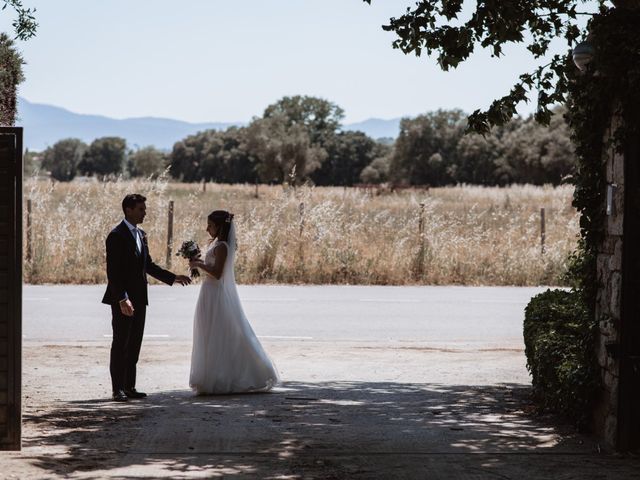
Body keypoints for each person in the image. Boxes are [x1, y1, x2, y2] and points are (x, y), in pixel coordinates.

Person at [102, 194, 191, 402]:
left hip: (141, 299)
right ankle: (117, 389)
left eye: (144, 209)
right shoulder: (116, 235)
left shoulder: (141, 235)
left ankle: (129, 387)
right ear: (128, 210)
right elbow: (113, 273)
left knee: (134, 344)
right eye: (141, 209)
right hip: (123, 300)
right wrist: (122, 299)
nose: (145, 212)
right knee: (121, 343)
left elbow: (147, 265)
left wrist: (172, 277)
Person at [188, 210, 279, 394]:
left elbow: (217, 273)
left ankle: (225, 377)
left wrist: (198, 264)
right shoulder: (218, 244)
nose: (207, 229)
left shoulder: (222, 246)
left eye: (210, 225)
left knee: (219, 335)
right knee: (210, 334)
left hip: (215, 294)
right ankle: (212, 376)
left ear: (220, 226)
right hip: (208, 293)